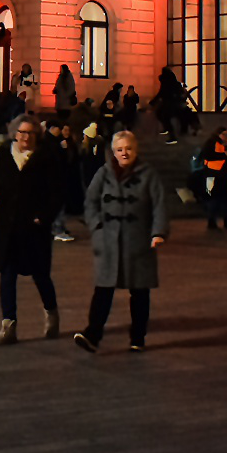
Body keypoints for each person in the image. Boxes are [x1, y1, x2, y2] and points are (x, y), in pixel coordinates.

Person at [74, 130, 168, 354]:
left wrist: (158, 232)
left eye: (128, 148)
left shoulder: (149, 175)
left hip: (138, 242)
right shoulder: (103, 173)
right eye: (119, 149)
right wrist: (96, 225)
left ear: (136, 149)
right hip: (108, 241)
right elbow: (91, 201)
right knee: (103, 290)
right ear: (113, 152)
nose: (124, 153)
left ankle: (138, 338)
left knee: (140, 292)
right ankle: (93, 335)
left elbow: (159, 205)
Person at [0, 115, 61, 345]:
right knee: (7, 275)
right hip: (6, 226)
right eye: (22, 132)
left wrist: (43, 218)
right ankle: (9, 325)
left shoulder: (46, 158)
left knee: (40, 275)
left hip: (32, 227)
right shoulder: (4, 154)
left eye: (30, 133)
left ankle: (51, 313)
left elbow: (56, 192)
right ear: (14, 133)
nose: (25, 137)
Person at [193, 127, 227, 231]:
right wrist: (223, 155)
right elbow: (207, 155)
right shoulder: (211, 143)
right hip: (213, 175)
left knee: (225, 200)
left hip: (226, 176)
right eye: (224, 134)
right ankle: (212, 221)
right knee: (213, 200)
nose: (226, 137)